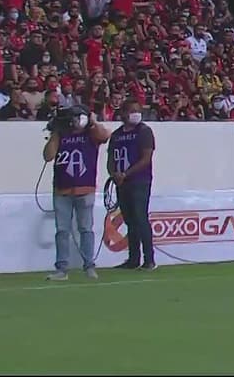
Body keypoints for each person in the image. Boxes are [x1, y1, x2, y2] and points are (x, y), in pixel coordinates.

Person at [42, 105, 110, 281]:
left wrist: (93, 122)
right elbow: (48, 156)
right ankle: (62, 268)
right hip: (62, 189)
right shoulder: (61, 134)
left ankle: (89, 265)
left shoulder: (91, 134)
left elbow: (105, 136)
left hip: (85, 188)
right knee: (62, 230)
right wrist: (55, 133)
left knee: (86, 229)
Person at [109, 98, 156, 270]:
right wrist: (114, 174)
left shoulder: (144, 131)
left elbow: (146, 158)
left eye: (138, 111)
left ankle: (149, 259)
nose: (136, 114)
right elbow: (110, 159)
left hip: (139, 181)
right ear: (123, 113)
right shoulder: (116, 135)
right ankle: (133, 258)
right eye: (132, 110)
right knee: (129, 220)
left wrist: (126, 174)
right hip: (122, 183)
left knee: (140, 217)